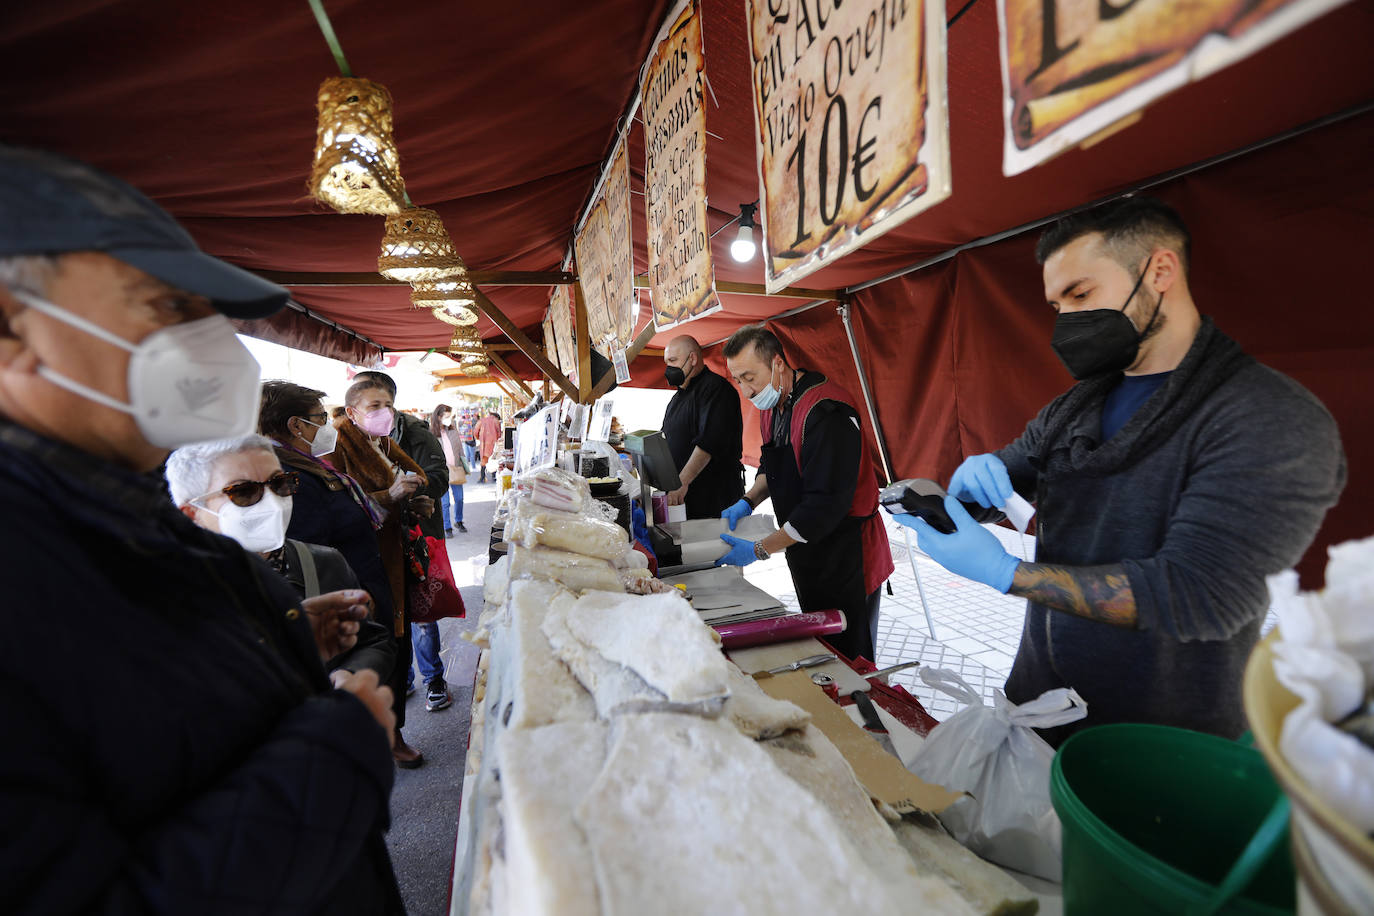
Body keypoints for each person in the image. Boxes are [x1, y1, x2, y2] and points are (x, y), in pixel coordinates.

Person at [0, 145, 403, 912]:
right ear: (12, 328)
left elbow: (135, 712)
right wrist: (337, 754)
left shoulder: (122, 505)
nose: (208, 341)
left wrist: (271, 637)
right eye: (164, 305)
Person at [893, 196, 1346, 746]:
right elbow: (1005, 480)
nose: (1066, 321)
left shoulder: (1269, 417)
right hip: (1040, 708)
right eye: (1058, 305)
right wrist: (954, 495)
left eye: (1081, 294)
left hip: (1160, 746)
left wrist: (1008, 574)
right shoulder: (1076, 407)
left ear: (1160, 271)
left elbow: (1201, 595)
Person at [717, 325, 894, 662]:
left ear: (779, 364)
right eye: (738, 380)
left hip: (847, 555)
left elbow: (824, 506)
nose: (746, 390)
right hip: (804, 549)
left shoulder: (828, 412)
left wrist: (759, 549)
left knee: (851, 652)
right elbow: (772, 466)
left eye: (749, 377)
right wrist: (747, 500)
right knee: (822, 641)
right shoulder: (773, 407)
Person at [166, 434, 397, 686]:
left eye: (280, 483)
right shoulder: (167, 598)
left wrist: (350, 675)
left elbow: (372, 640)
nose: (273, 502)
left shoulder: (323, 561)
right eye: (243, 491)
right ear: (192, 514)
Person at [331, 378, 436, 768]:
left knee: (399, 641)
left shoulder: (385, 443)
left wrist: (413, 504)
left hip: (396, 555)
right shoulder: (339, 447)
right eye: (374, 405)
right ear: (353, 411)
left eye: (388, 404)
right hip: (366, 565)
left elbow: (407, 485)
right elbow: (341, 510)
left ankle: (392, 730)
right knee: (381, 646)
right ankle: (385, 736)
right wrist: (389, 499)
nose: (384, 412)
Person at [259, 380, 396, 632]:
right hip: (349, 611)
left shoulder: (306, 464)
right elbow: (309, 557)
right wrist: (358, 604)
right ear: (296, 425)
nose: (327, 424)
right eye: (321, 417)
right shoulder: (290, 479)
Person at [353, 368, 449, 545]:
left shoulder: (415, 433)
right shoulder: (351, 435)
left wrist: (407, 490)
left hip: (416, 535)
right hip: (378, 534)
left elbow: (439, 480)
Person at [661, 334, 745, 519]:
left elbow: (709, 443)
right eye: (667, 362)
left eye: (673, 360)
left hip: (714, 498)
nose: (669, 368)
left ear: (692, 358)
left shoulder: (717, 389)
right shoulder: (677, 398)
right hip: (685, 500)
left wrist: (682, 482)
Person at [431, 403, 468, 536]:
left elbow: (461, 451)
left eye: (449, 416)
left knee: (459, 499)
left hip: (456, 470)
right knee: (445, 502)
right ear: (438, 417)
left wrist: (465, 467)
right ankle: (447, 527)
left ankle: (459, 521)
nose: (449, 419)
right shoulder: (432, 434)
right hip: (442, 473)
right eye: (446, 416)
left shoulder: (453, 431)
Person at [475, 409, 502, 483]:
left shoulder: (481, 420)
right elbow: (499, 433)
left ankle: (482, 477)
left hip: (484, 444)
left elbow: (475, 432)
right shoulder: (496, 421)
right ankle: (494, 476)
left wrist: (479, 438)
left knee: (484, 460)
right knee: (494, 459)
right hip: (494, 443)